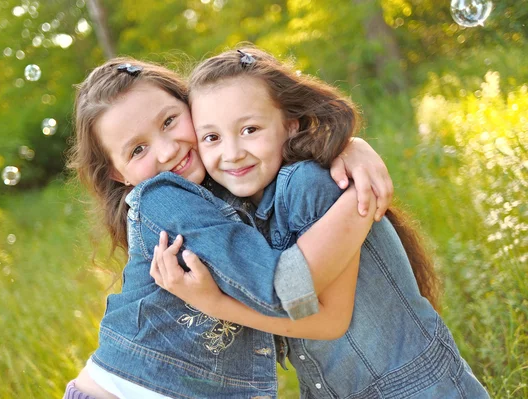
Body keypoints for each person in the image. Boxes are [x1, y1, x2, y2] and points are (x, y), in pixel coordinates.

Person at [152, 47, 490, 398]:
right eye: (212, 137)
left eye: (250, 129)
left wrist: (214, 303)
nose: (232, 152)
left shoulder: (309, 185)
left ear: (290, 125)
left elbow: (330, 321)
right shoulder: (233, 207)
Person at [64, 56, 392, 398]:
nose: (166, 150)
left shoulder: (227, 184)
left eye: (169, 121)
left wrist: (353, 148)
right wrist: (359, 196)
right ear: (119, 175)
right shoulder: (161, 198)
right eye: (138, 149)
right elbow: (277, 291)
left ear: (192, 107)